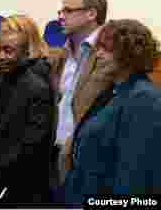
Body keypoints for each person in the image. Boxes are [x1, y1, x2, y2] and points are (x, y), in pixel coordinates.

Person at [63, 19, 161, 203]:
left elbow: (134, 175)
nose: (97, 55)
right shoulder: (111, 91)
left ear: (130, 54)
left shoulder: (145, 99)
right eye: (98, 48)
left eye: (105, 49)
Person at [0, 29, 56, 207]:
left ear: (25, 54)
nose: (1, 56)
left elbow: (31, 142)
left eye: (8, 51)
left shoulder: (38, 89)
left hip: (19, 182)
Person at [48, 0, 109, 203]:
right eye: (60, 11)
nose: (60, 17)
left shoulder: (110, 51)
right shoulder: (61, 54)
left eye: (68, 10)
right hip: (57, 152)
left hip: (91, 158)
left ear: (91, 13)